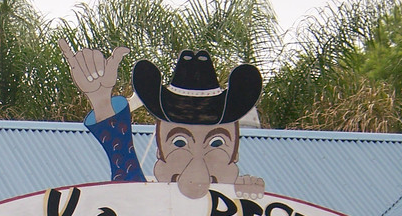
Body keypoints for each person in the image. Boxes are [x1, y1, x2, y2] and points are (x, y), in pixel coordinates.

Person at [60, 40, 265, 200]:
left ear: (235, 151)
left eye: (217, 143)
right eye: (179, 142)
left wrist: (250, 202)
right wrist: (101, 102)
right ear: (159, 148)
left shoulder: (241, 213)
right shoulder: (148, 197)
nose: (198, 164)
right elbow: (123, 166)